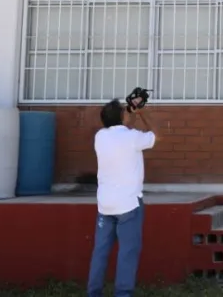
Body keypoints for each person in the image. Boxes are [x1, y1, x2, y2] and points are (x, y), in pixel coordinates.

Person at [87, 97, 156, 297]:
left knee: (100, 252)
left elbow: (123, 130)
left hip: (105, 205)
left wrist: (129, 114)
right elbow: (156, 135)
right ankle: (123, 294)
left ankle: (94, 293)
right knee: (127, 253)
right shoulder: (132, 138)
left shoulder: (100, 136)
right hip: (128, 205)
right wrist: (142, 113)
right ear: (121, 117)